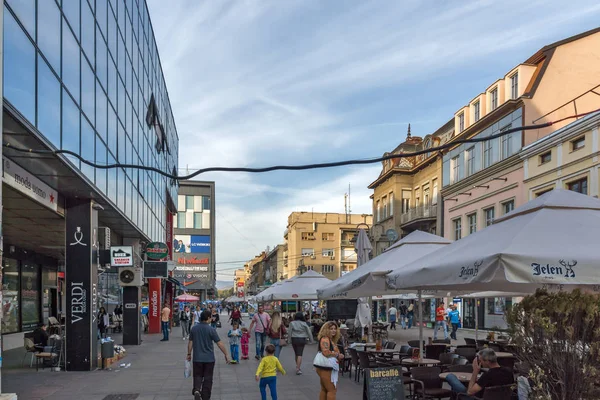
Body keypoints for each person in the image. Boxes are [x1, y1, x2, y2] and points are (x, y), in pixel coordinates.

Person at [187, 309, 229, 400]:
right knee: (208, 378)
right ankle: (205, 396)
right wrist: (226, 354)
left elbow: (190, 342)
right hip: (209, 359)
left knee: (197, 376)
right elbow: (219, 343)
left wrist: (189, 353)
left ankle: (197, 389)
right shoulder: (211, 329)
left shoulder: (194, 329)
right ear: (208, 318)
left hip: (197, 358)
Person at [446, 348, 515, 399]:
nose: (480, 363)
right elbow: (512, 388)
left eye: (480, 360)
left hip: (476, 398)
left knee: (450, 376)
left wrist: (475, 372)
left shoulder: (488, 375)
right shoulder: (508, 372)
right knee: (455, 389)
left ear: (487, 361)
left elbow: (469, 392)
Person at [314, 321, 344, 400]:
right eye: (331, 329)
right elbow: (326, 352)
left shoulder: (329, 339)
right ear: (326, 330)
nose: (334, 330)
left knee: (324, 389)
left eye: (335, 329)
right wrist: (337, 354)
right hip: (326, 368)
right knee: (332, 390)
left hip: (325, 367)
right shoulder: (325, 339)